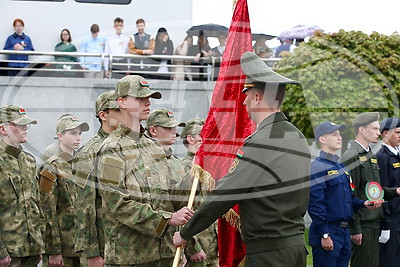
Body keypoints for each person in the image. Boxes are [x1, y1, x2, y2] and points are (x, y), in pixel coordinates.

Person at [173, 51, 311, 267]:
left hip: (269, 254)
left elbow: (226, 193)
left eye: (247, 94)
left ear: (257, 97)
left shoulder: (262, 140)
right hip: (294, 248)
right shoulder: (296, 136)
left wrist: (186, 232)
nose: (244, 101)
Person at [96, 75, 194, 266]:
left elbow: (169, 197)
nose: (147, 103)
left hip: (164, 253)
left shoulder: (154, 147)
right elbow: (117, 203)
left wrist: (196, 175)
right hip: (130, 257)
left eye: (148, 98)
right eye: (140, 98)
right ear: (121, 102)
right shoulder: (112, 148)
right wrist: (167, 219)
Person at [308, 121, 381, 267]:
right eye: (334, 135)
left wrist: (363, 203)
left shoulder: (341, 168)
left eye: (339, 134)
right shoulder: (318, 167)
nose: (340, 138)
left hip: (344, 232)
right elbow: (315, 204)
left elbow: (347, 199)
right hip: (329, 231)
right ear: (322, 139)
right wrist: (324, 234)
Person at [340, 112, 400, 267]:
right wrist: (355, 229)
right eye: (374, 129)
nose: (379, 133)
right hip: (363, 225)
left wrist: (395, 191)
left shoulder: (369, 155)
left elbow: (375, 190)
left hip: (374, 222)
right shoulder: (351, 157)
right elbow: (348, 196)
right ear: (362, 130)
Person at [72, 91, 121, 267]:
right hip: (103, 246)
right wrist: (91, 252)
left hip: (125, 246)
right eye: (118, 110)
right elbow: (84, 207)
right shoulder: (89, 152)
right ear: (103, 115)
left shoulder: (127, 146)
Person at [38, 115, 89, 267]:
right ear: (60, 136)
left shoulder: (83, 165)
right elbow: (47, 210)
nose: (78, 137)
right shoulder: (51, 168)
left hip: (82, 246)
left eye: (79, 133)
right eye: (73, 133)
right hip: (62, 247)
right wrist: (53, 250)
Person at [0, 105, 44, 266]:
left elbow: (36, 203)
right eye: (19, 125)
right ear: (3, 129)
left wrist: (39, 244)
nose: (25, 128)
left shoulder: (29, 161)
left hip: (30, 249)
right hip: (8, 251)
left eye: (26, 125)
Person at [180, 118, 219, 267]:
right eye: (203, 135)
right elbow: (181, 208)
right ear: (190, 138)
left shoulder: (210, 167)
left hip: (213, 242)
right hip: (198, 245)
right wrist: (192, 247)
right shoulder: (183, 167)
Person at [376, 117, 400, 267]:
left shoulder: (397, 154)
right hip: (391, 221)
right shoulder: (381, 157)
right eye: (397, 133)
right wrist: (385, 225)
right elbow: (381, 191)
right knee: (389, 261)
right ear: (385, 133)